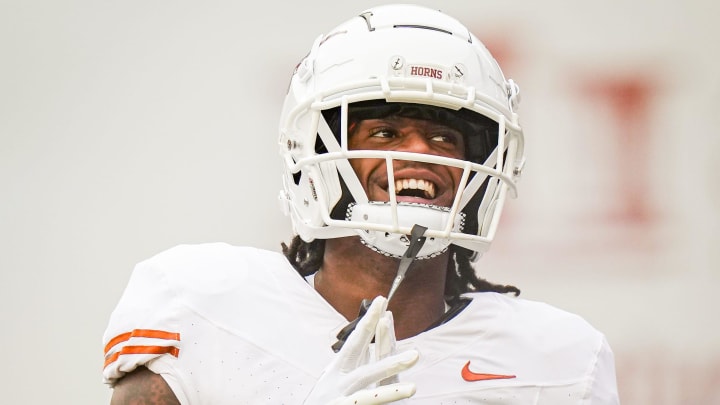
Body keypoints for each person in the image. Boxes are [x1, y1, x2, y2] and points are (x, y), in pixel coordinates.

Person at [102, 4, 620, 404]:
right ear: (316, 151)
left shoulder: (561, 360)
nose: (418, 154)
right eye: (387, 132)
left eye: (444, 139)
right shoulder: (201, 305)